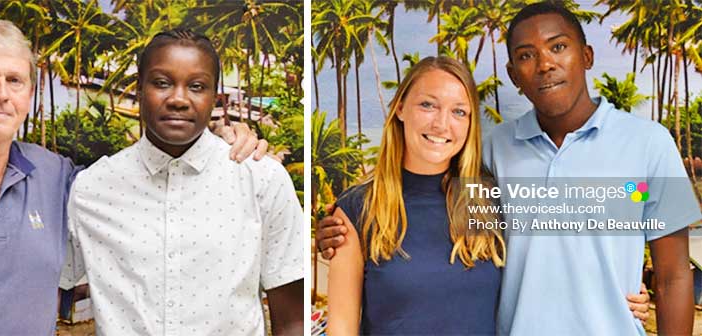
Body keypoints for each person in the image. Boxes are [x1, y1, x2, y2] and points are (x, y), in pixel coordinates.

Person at [0, 19, 266, 335]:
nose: (1, 94)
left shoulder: (58, 179)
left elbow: (148, 188)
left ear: (29, 94)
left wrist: (225, 140)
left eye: (14, 80)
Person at [317, 2, 689, 335]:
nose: (545, 63)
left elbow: (673, 276)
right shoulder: (494, 152)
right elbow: (422, 209)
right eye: (527, 55)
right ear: (512, 74)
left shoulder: (650, 144)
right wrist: (337, 229)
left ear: (587, 55)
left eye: (558, 47)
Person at [61, 29, 304, 335]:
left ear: (215, 97)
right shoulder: (91, 189)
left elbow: (293, 321)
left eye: (197, 86)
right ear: (139, 89)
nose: (178, 99)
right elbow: (47, 289)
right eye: (162, 83)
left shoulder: (262, 180)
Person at [327, 56, 505, 335]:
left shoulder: (491, 202)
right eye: (428, 105)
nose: (442, 124)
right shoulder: (356, 210)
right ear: (400, 108)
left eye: (459, 112)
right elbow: (341, 328)